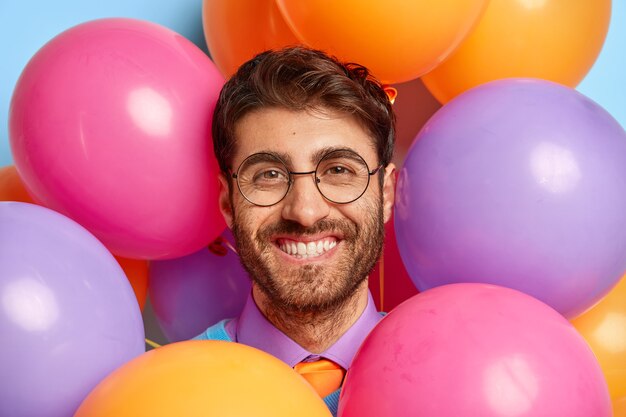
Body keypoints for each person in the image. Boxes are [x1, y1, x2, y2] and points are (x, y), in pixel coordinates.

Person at [194, 46, 396, 416]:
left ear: (386, 194)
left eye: (338, 170)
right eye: (268, 175)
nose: (304, 211)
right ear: (228, 202)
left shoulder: (461, 379)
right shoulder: (172, 391)